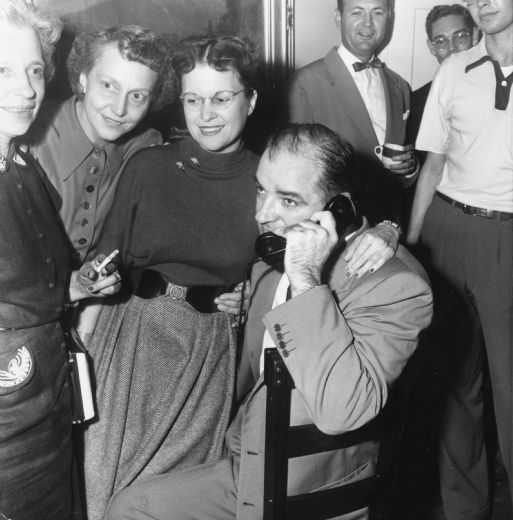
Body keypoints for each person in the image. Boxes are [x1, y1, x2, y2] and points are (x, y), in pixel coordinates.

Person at [106, 123, 433, 520]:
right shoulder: (269, 265)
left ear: (339, 208)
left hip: (312, 490)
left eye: (289, 200)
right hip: (246, 462)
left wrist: (307, 280)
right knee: (130, 506)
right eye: (261, 189)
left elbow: (342, 411)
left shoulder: (394, 285)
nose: (263, 214)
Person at [80, 35, 261, 520]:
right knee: (98, 491)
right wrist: (79, 360)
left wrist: (253, 295)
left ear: (251, 100)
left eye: (221, 98)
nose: (205, 114)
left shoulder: (268, 180)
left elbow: (288, 271)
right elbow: (104, 263)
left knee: (168, 502)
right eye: (193, 99)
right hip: (128, 344)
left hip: (206, 356)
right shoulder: (149, 166)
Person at [0, 0, 120, 520]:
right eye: (1, 69)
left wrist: (73, 288)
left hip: (48, 411)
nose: (26, 90)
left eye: (33, 69)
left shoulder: (21, 170)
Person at [407, 0, 513, 520]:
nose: (480, 1)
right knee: (455, 387)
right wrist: (416, 247)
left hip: (507, 240)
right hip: (447, 231)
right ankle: (464, 509)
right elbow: (432, 165)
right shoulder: (453, 68)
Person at [24, 24, 175, 265]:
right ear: (83, 78)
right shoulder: (29, 137)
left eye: (137, 96)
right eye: (108, 86)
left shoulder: (145, 148)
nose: (119, 109)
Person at [288, 0, 417, 241]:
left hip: (389, 231)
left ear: (389, 18)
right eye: (357, 12)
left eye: (378, 12)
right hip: (334, 233)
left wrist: (410, 169)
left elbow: (404, 176)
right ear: (339, 18)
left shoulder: (400, 87)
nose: (368, 24)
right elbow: (295, 176)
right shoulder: (306, 83)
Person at [407, 4, 477, 147]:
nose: (452, 48)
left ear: (474, 37)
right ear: (432, 48)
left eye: (460, 37)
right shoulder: (416, 103)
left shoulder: (499, 90)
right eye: (440, 41)